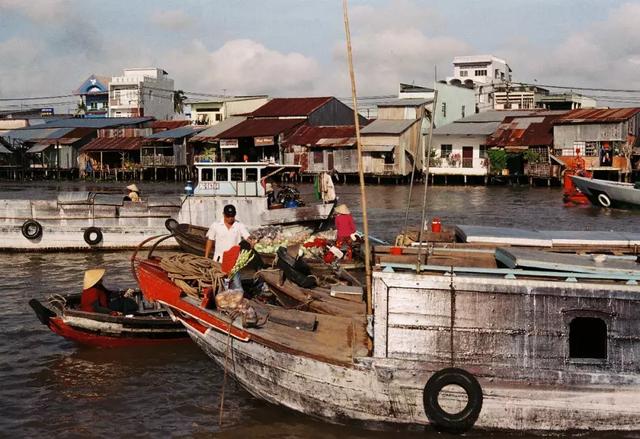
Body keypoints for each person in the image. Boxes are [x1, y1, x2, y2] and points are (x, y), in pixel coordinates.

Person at [204, 204, 253, 290]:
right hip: (219, 261)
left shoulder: (239, 225)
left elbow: (247, 237)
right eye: (228, 216)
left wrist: (251, 241)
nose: (230, 218)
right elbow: (210, 240)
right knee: (220, 286)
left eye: (232, 216)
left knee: (237, 287)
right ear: (223, 214)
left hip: (234, 262)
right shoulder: (216, 225)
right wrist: (206, 257)